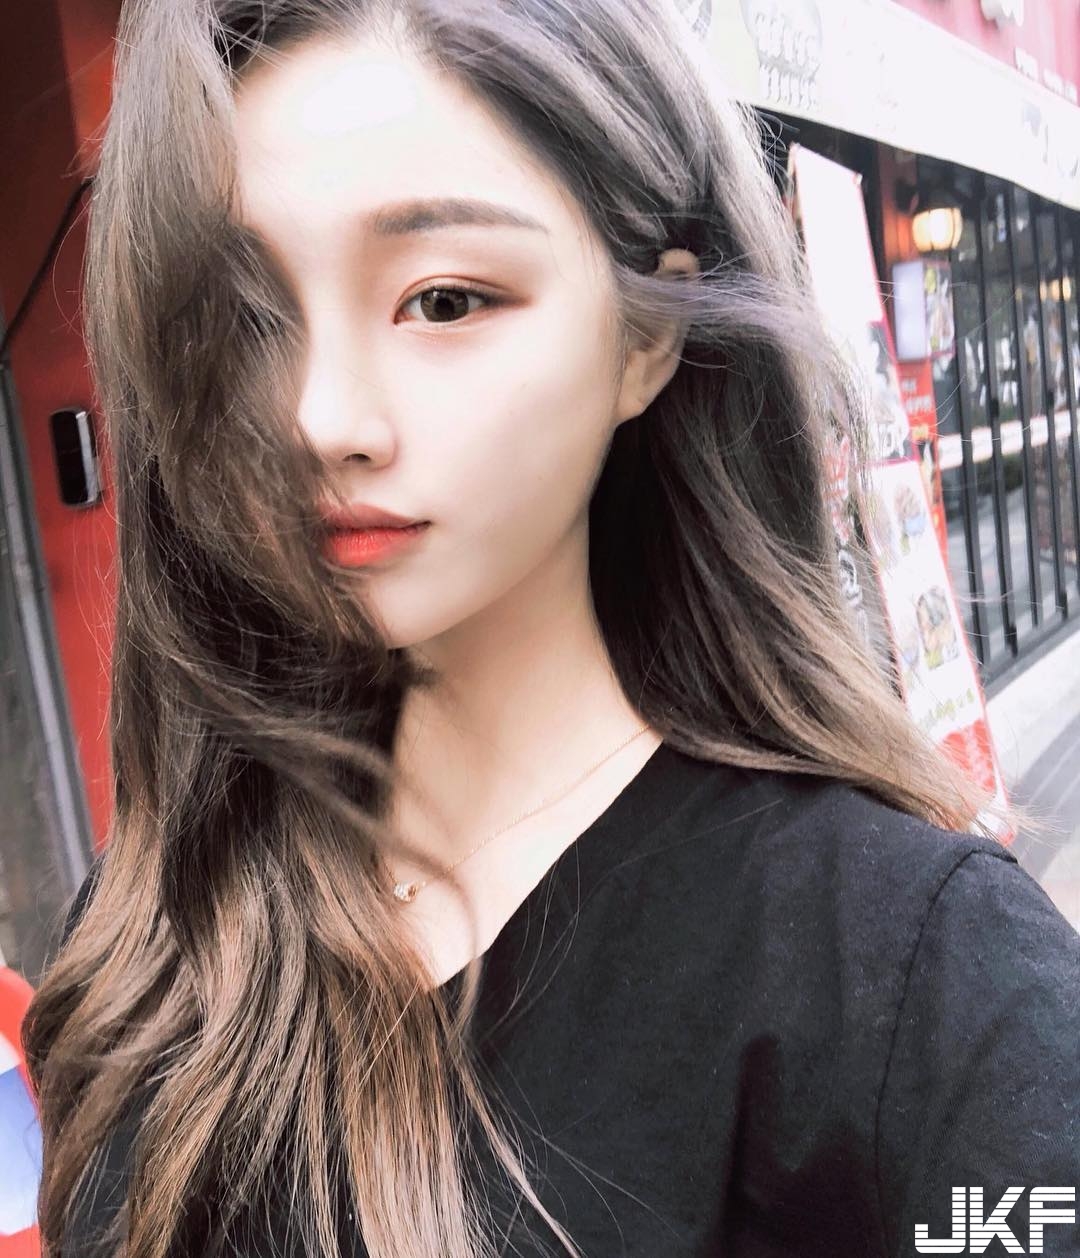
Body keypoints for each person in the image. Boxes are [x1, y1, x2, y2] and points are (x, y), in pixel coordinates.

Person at [23, 1, 1079, 1256]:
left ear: (649, 335)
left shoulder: (916, 980)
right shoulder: (151, 925)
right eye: (247, 316)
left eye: (446, 300)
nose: (322, 417)